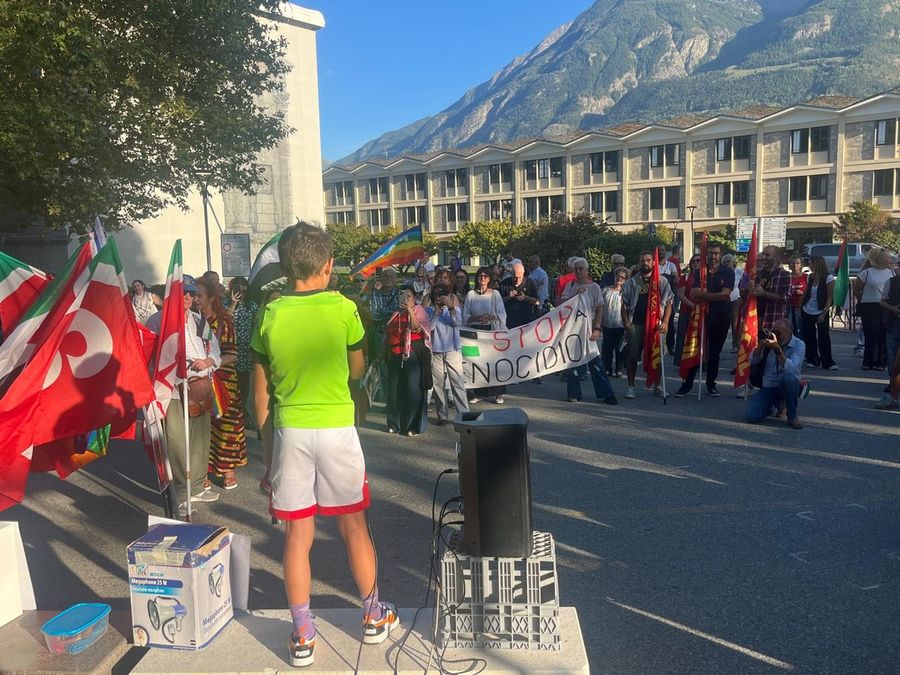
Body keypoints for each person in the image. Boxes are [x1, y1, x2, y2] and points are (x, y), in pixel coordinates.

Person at [251, 223, 399, 667]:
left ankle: (302, 634)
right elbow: (356, 372)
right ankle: (373, 615)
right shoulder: (345, 309)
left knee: (299, 534)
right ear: (329, 265)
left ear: (284, 264)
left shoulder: (269, 313)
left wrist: (267, 454)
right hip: (336, 428)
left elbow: (260, 396)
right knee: (354, 525)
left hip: (290, 431)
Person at [166, 275, 221, 516]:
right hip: (174, 388)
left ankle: (197, 485)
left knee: (199, 438)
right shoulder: (160, 321)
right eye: (183, 293)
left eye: (191, 293)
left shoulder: (200, 321)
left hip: (200, 386)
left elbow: (216, 350)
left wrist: (209, 360)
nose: (188, 297)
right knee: (177, 440)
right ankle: (180, 490)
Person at [196, 277, 247, 490]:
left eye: (199, 295)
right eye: (193, 295)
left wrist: (211, 365)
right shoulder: (190, 320)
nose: (195, 299)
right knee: (203, 426)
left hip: (224, 381)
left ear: (212, 297)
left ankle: (228, 470)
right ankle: (203, 471)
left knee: (227, 425)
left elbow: (232, 354)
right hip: (198, 381)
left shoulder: (223, 321)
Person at [675, 242, 735, 398]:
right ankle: (686, 385)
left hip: (721, 316)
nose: (713, 256)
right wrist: (710, 296)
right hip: (701, 315)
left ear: (720, 255)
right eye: (710, 253)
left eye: (716, 253)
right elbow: (694, 294)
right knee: (695, 349)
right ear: (705, 255)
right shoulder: (698, 272)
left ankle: (711, 384)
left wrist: (705, 296)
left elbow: (725, 295)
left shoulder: (728, 272)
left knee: (715, 352)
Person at [560, 258, 618, 404]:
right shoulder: (570, 285)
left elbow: (599, 308)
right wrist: (575, 295)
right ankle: (573, 393)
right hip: (573, 330)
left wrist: (597, 328)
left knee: (595, 361)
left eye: (581, 269)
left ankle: (607, 393)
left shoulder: (594, 287)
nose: (578, 272)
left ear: (587, 270)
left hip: (589, 329)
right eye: (576, 269)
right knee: (573, 361)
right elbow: (563, 304)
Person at [621, 251, 674, 399]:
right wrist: (626, 324)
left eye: (648, 260)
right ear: (639, 263)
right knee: (632, 357)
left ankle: (657, 386)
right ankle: (631, 387)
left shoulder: (662, 281)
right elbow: (623, 305)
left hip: (656, 325)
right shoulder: (631, 282)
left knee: (658, 357)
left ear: (653, 262)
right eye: (642, 260)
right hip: (636, 324)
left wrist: (666, 322)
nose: (645, 262)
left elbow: (669, 302)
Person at [384, 286, 431, 436]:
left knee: (412, 390)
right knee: (394, 390)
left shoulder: (419, 311)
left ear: (415, 298)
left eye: (408, 296)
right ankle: (394, 423)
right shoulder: (396, 313)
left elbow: (416, 328)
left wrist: (410, 311)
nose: (405, 299)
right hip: (395, 354)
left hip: (412, 353)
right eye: (402, 295)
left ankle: (412, 426)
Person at [746, 318, 806, 429]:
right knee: (752, 416)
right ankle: (776, 404)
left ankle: (792, 415)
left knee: (790, 378)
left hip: (787, 383)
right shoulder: (770, 341)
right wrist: (761, 345)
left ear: (789, 333)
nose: (776, 336)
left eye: (779, 333)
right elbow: (752, 361)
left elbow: (791, 368)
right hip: (769, 385)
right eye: (774, 332)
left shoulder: (799, 345)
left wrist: (777, 349)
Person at [462, 266, 507, 404]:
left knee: (493, 361)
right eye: (480, 276)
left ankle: (498, 393)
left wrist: (490, 317)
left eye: (485, 276)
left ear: (489, 279)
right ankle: (478, 392)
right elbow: (465, 315)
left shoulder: (495, 294)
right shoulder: (471, 294)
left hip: (491, 331)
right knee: (477, 362)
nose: (482, 279)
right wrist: (476, 318)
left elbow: (502, 314)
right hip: (475, 331)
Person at [427, 283, 469, 425]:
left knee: (457, 382)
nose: (439, 299)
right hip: (436, 350)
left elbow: (457, 323)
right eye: (437, 296)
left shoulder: (454, 309)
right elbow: (429, 329)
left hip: (452, 349)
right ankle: (442, 415)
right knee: (438, 384)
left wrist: (450, 307)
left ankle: (463, 414)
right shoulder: (429, 310)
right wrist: (436, 314)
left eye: (442, 296)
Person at [854, 246, 895, 370]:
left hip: (885, 306)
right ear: (879, 258)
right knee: (870, 333)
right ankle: (868, 361)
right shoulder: (866, 273)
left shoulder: (891, 273)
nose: (889, 260)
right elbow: (857, 290)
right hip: (869, 306)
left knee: (883, 334)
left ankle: (881, 362)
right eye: (887, 257)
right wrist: (863, 300)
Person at [225, 276, 258, 423]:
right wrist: (233, 304)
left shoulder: (252, 306)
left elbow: (256, 327)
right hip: (230, 351)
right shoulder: (225, 304)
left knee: (244, 386)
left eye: (244, 292)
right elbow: (224, 321)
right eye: (238, 291)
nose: (241, 294)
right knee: (232, 385)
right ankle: (233, 412)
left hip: (245, 351)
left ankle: (243, 411)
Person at [742, 246, 791, 334]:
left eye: (768, 255)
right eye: (763, 254)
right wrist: (747, 289)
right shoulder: (757, 274)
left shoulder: (785, 275)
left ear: (776, 257)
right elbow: (746, 297)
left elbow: (785, 299)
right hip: (754, 321)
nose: (764, 257)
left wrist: (764, 293)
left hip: (773, 320)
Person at [800, 255, 837, 370]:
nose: (809, 265)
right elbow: (806, 292)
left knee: (823, 336)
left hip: (821, 310)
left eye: (811, 263)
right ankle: (813, 358)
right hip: (807, 309)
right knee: (809, 336)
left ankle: (828, 361)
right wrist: (800, 305)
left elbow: (829, 297)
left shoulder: (828, 278)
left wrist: (824, 312)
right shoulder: (810, 277)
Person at [674, 254, 701, 366]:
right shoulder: (685, 277)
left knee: (700, 338)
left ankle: (700, 362)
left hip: (702, 313)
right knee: (684, 337)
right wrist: (691, 305)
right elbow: (680, 294)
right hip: (687, 312)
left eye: (698, 261)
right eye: (693, 261)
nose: (695, 263)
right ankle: (682, 362)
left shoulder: (707, 277)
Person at [601, 267, 629, 377]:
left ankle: (619, 369)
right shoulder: (606, 290)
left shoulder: (627, 293)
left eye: (622, 277)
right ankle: (607, 368)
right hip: (607, 324)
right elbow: (600, 306)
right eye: (618, 276)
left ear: (626, 279)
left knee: (620, 349)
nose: (619, 279)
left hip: (621, 325)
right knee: (607, 348)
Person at [500, 262, 539, 330]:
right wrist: (508, 297)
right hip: (510, 322)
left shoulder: (529, 283)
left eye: (520, 277)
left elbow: (537, 302)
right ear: (511, 274)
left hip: (526, 321)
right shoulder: (504, 283)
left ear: (523, 273)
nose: (517, 280)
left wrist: (525, 297)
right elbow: (498, 303)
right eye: (515, 278)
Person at [721, 254, 744, 352]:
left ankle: (736, 344)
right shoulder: (722, 272)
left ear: (733, 262)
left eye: (729, 261)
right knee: (723, 322)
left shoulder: (739, 271)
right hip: (725, 299)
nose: (727, 264)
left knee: (735, 323)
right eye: (725, 262)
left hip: (736, 299)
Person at [787, 256, 808, 338]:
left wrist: (802, 292)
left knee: (800, 330)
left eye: (797, 263)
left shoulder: (806, 277)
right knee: (789, 329)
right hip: (788, 306)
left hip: (800, 307)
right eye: (792, 263)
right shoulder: (786, 277)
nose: (795, 265)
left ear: (801, 265)